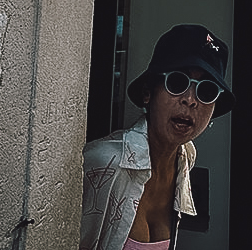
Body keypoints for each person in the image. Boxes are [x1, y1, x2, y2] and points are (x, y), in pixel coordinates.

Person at [81, 24, 236, 250]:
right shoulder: (103, 163)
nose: (190, 100)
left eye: (207, 91)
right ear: (148, 93)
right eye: (177, 82)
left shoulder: (185, 160)